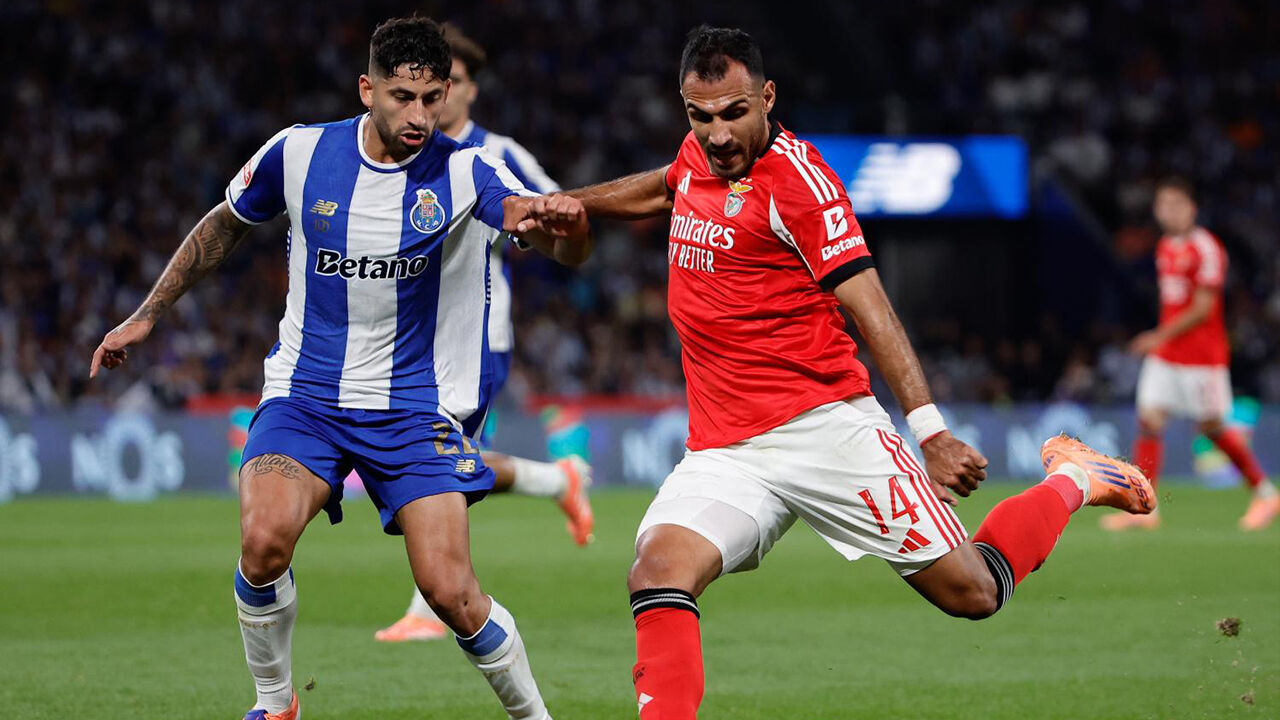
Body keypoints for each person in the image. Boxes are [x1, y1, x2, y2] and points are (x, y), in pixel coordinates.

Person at [565, 26, 1156, 719]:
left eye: (734, 113)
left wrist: (929, 429)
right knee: (659, 573)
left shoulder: (800, 183)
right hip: (726, 447)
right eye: (701, 116)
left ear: (767, 97)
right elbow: (666, 187)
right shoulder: (698, 155)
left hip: (825, 428)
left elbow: (871, 305)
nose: (718, 135)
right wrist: (573, 202)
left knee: (973, 593)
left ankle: (1076, 479)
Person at [89, 16, 590, 720]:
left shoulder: (464, 169)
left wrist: (563, 230)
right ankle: (275, 703)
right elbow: (222, 225)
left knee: (450, 591)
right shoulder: (298, 153)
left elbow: (532, 223)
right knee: (263, 543)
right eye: (400, 97)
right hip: (305, 397)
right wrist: (147, 314)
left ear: (447, 95)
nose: (418, 115)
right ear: (367, 90)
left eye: (431, 98)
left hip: (411, 408)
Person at [375, 23, 594, 644]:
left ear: (462, 90)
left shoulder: (495, 153)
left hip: (473, 338)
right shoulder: (398, 153)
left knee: (439, 465)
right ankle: (558, 480)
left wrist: (526, 233)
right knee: (444, 463)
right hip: (402, 335)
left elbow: (561, 210)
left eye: (455, 84)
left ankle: (430, 605)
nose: (441, 98)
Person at [1110, 176, 1278, 531]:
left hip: (1203, 357)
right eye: (1163, 205)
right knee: (1150, 419)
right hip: (1168, 355)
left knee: (1212, 427)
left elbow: (1203, 308)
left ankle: (1265, 493)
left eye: (1176, 204)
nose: (1169, 212)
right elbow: (1172, 304)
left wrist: (1157, 335)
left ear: (1192, 208)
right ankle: (1145, 508)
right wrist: (1162, 339)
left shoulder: (1207, 249)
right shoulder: (1165, 247)